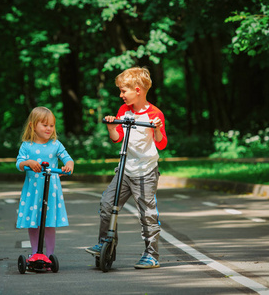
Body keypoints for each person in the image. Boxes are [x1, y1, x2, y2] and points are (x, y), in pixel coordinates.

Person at [85, 67, 167, 269]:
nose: (120, 95)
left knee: (147, 214)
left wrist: (156, 129)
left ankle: (151, 255)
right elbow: (118, 138)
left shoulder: (155, 114)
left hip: (145, 172)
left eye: (124, 91)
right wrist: (112, 127)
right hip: (124, 170)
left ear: (137, 90)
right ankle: (106, 244)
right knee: (106, 204)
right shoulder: (124, 111)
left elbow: (161, 143)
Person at [16, 106, 74, 258]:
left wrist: (68, 165)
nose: (49, 128)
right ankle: (35, 253)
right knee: (33, 222)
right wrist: (28, 162)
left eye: (51, 125)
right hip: (32, 191)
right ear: (32, 125)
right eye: (45, 125)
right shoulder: (26, 145)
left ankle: (49, 255)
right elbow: (19, 164)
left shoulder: (55, 145)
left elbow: (67, 158)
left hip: (50, 191)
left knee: (49, 224)